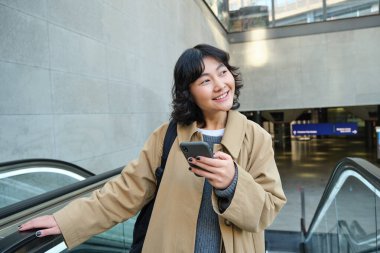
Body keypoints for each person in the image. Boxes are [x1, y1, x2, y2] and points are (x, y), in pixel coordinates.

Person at [19, 44, 286, 252]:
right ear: (189, 92)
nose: (220, 85)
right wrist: (66, 221)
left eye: (223, 72)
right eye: (205, 81)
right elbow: (124, 194)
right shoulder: (167, 135)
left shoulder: (256, 137)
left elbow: (268, 210)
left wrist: (233, 183)